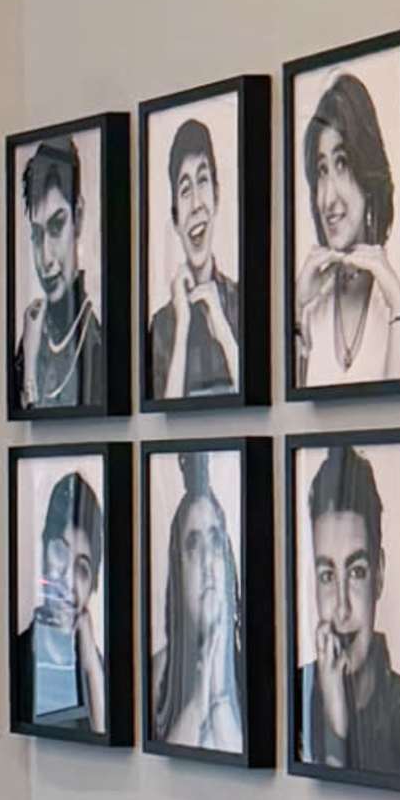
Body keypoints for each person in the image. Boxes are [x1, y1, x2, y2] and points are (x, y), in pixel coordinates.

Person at [299, 439, 400, 785]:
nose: (342, 606)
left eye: (356, 572)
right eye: (326, 576)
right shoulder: (290, 697)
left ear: (379, 575)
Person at [292, 67, 400, 389]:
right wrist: (296, 311)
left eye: (342, 164)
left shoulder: (399, 293)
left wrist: (399, 308)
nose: (327, 197)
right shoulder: (312, 304)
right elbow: (290, 428)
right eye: (321, 171)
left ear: (368, 175)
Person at [149, 456, 248, 753]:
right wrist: (202, 690)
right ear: (177, 573)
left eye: (215, 542)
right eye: (193, 544)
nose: (208, 561)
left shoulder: (253, 669)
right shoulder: (158, 671)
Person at [146, 113, 247, 399]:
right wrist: (183, 326)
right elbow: (163, 425)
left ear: (216, 195)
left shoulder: (242, 303)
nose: (196, 205)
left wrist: (222, 327)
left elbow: (261, 399)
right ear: (176, 219)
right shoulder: (163, 324)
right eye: (185, 189)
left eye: (202, 182)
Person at [12, 134, 107, 417]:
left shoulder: (96, 340)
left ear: (78, 217)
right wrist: (29, 357)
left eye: (56, 227)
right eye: (37, 235)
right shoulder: (30, 338)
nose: (46, 258)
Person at [26, 466, 108, 734]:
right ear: (44, 550)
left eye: (82, 569)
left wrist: (91, 667)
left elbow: (107, 738)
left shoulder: (100, 667)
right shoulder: (17, 652)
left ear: (93, 583)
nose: (66, 578)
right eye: (59, 552)